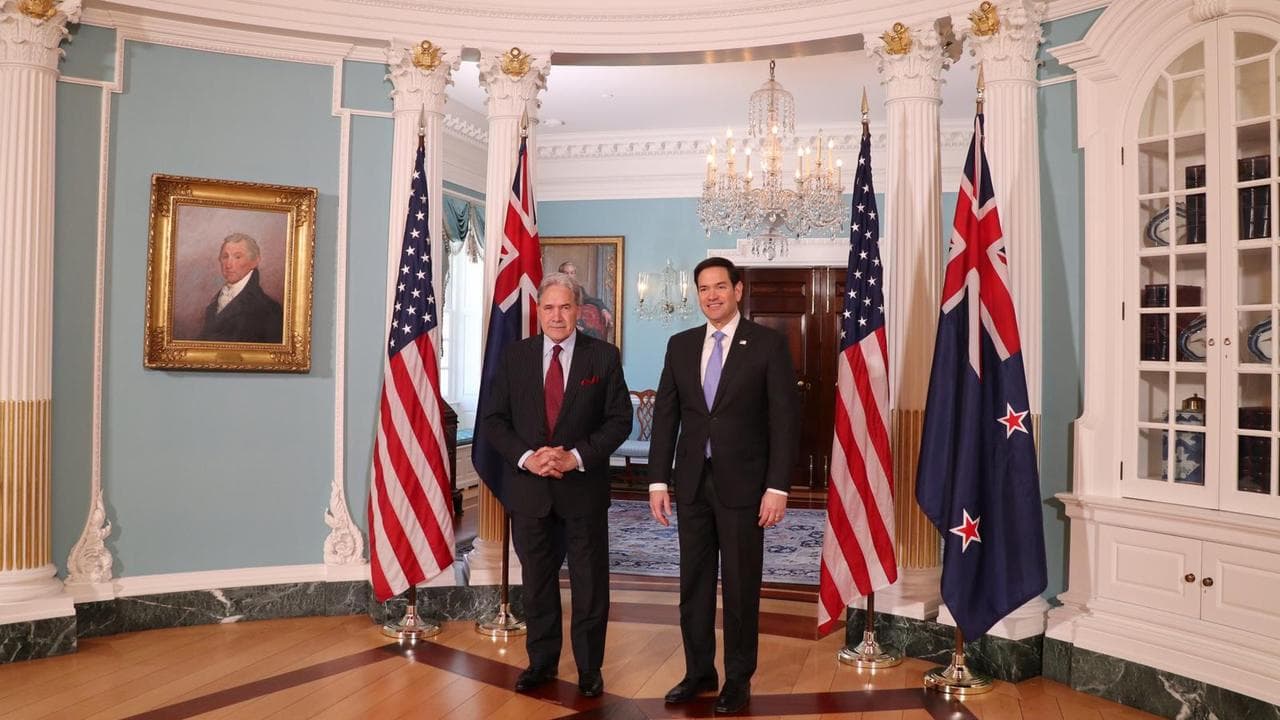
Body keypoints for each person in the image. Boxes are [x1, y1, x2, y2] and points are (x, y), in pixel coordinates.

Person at [647, 256, 799, 714]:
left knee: (739, 585)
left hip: (746, 487)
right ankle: (698, 672)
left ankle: (737, 679)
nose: (711, 295)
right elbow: (666, 419)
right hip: (691, 483)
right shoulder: (680, 345)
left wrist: (778, 487)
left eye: (719, 286)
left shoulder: (768, 345)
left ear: (737, 290)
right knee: (693, 585)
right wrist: (658, 481)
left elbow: (784, 422)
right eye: (703, 288)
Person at [479, 272, 632, 698]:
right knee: (537, 583)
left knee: (589, 584)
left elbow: (620, 420)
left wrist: (575, 456)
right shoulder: (515, 357)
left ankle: (589, 669)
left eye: (565, 307)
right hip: (530, 490)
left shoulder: (602, 356)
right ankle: (541, 663)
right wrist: (530, 457)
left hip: (582, 490)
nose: (557, 316)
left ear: (578, 311)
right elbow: (494, 419)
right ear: (539, 311)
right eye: (549, 308)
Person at [199, 232, 283, 343]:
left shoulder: (270, 310)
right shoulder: (215, 302)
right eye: (225, 257)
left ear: (255, 261)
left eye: (237, 257)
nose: (228, 265)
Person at [557, 260, 613, 342]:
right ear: (561, 275)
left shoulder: (578, 289)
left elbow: (593, 300)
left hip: (579, 324)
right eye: (566, 273)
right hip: (564, 323)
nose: (569, 276)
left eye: (572, 273)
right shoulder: (555, 290)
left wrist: (604, 310)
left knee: (596, 335)